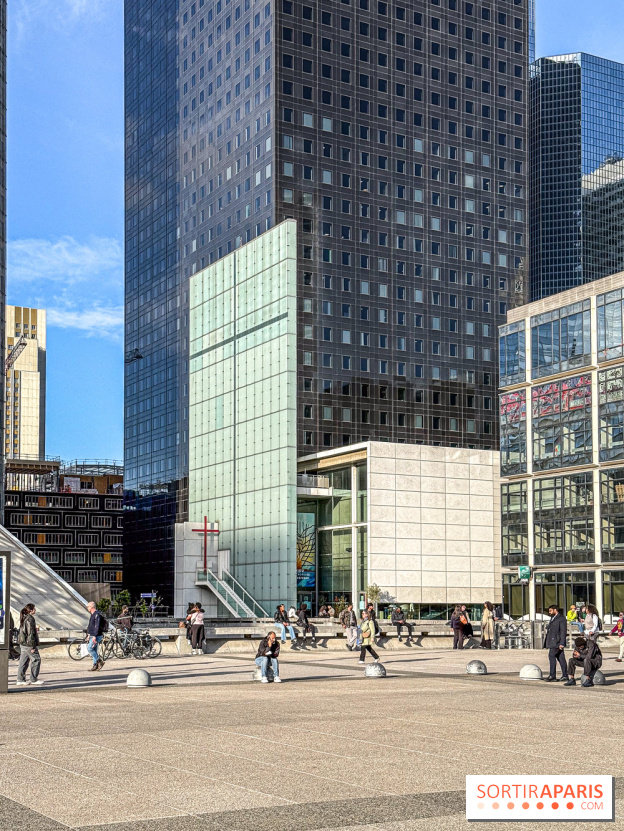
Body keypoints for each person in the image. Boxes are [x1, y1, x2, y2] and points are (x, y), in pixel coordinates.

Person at [16, 604, 43, 687]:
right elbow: (30, 634)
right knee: (36, 659)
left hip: (23, 643)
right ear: (31, 610)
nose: (35, 610)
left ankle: (20, 679)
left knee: (23, 662)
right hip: (28, 644)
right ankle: (33, 679)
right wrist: (32, 646)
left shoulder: (24, 618)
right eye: (34, 609)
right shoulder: (30, 619)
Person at [543, 604, 569, 682]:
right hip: (552, 641)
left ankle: (552, 675)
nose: (549, 612)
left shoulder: (561, 619)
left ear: (555, 610)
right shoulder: (553, 618)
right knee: (561, 658)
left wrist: (562, 643)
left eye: (551, 610)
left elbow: (563, 631)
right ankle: (565, 675)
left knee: (551, 656)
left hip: (556, 642)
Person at [86, 601, 106, 671]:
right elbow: (91, 626)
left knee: (90, 648)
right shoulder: (92, 615)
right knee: (94, 650)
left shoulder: (97, 615)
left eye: (88, 606)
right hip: (93, 635)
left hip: (96, 636)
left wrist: (94, 636)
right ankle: (95, 665)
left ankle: (99, 660)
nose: (87, 608)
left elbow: (97, 626)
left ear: (92, 607)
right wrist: (89, 634)